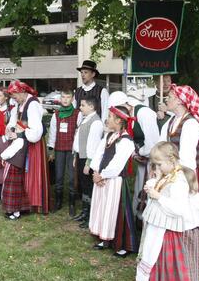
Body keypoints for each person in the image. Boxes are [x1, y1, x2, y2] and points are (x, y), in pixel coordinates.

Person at [136, 141, 194, 281]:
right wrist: (154, 182)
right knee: (151, 260)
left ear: (171, 159)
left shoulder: (179, 180)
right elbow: (160, 185)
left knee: (165, 267)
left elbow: (178, 209)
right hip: (157, 226)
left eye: (159, 164)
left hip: (166, 231)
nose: (157, 167)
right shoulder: (168, 174)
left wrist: (158, 197)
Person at [160, 84, 199, 259]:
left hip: (189, 175)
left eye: (170, 97)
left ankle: (193, 255)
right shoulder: (172, 121)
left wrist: (179, 179)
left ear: (181, 101)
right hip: (173, 173)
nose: (166, 99)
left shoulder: (190, 124)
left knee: (189, 214)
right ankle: (176, 254)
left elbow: (187, 157)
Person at [88, 106, 137, 257]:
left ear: (119, 120)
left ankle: (122, 244)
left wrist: (102, 175)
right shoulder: (109, 135)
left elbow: (117, 164)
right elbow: (98, 154)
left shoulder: (126, 141)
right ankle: (105, 237)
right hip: (101, 179)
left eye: (110, 116)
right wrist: (95, 171)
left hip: (115, 182)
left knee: (117, 211)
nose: (107, 119)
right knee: (103, 207)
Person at [0, 80, 51, 217]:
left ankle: (33, 203)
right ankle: (22, 204)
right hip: (21, 143)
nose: (13, 98)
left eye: (14, 94)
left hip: (33, 145)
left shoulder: (32, 104)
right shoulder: (19, 104)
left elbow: (35, 133)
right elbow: (13, 122)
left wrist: (19, 134)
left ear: (22, 92)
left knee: (32, 172)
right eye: (11, 96)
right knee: (21, 175)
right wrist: (11, 130)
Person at [114, 87, 160, 220]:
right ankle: (137, 217)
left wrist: (138, 152)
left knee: (149, 186)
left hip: (153, 159)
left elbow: (153, 143)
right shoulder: (130, 116)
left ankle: (146, 218)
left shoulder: (144, 113)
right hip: (142, 158)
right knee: (140, 185)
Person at [47, 91, 80, 213]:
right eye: (63, 97)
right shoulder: (56, 114)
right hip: (59, 149)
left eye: (68, 97)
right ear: (60, 99)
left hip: (72, 150)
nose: (65, 99)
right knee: (59, 176)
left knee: (71, 177)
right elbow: (52, 133)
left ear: (72, 99)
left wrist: (77, 150)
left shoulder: (77, 114)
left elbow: (79, 132)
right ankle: (58, 201)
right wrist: (51, 150)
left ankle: (72, 204)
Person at [76, 97, 104, 228]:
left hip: (88, 158)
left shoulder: (96, 122)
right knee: (84, 186)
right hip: (81, 156)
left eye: (83, 105)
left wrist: (88, 163)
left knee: (89, 187)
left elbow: (93, 145)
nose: (80, 107)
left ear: (91, 107)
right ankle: (85, 211)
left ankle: (90, 216)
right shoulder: (85, 119)